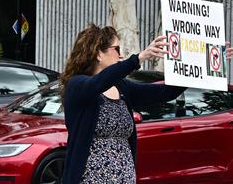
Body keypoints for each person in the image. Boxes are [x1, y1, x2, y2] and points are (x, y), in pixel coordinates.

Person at [61, 24, 187, 184]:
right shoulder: (77, 85)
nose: (121, 56)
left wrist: (202, 67)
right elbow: (98, 83)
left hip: (125, 177)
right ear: (99, 53)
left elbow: (164, 92)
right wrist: (138, 59)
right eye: (117, 49)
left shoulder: (122, 88)